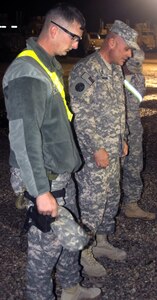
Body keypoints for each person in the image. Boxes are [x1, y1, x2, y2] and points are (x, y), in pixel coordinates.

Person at [2, 3, 102, 300]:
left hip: (59, 174)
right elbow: (24, 137)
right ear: (55, 30)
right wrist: (40, 190)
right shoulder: (27, 72)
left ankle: (71, 287)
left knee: (69, 240)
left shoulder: (47, 64)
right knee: (44, 252)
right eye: (73, 37)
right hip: (44, 178)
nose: (76, 44)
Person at [69, 20, 139, 277]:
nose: (129, 54)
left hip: (113, 149)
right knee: (91, 203)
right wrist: (97, 148)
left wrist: (122, 138)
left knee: (110, 199)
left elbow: (117, 107)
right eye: (127, 49)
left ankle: (101, 243)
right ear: (112, 42)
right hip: (94, 153)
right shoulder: (86, 70)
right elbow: (82, 115)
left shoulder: (115, 70)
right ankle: (84, 252)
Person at [121, 49, 156, 220]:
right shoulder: (110, 74)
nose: (136, 67)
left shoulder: (138, 77)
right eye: (133, 63)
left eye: (139, 64)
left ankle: (132, 205)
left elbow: (137, 98)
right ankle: (102, 211)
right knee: (109, 170)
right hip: (113, 128)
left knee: (134, 166)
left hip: (133, 128)